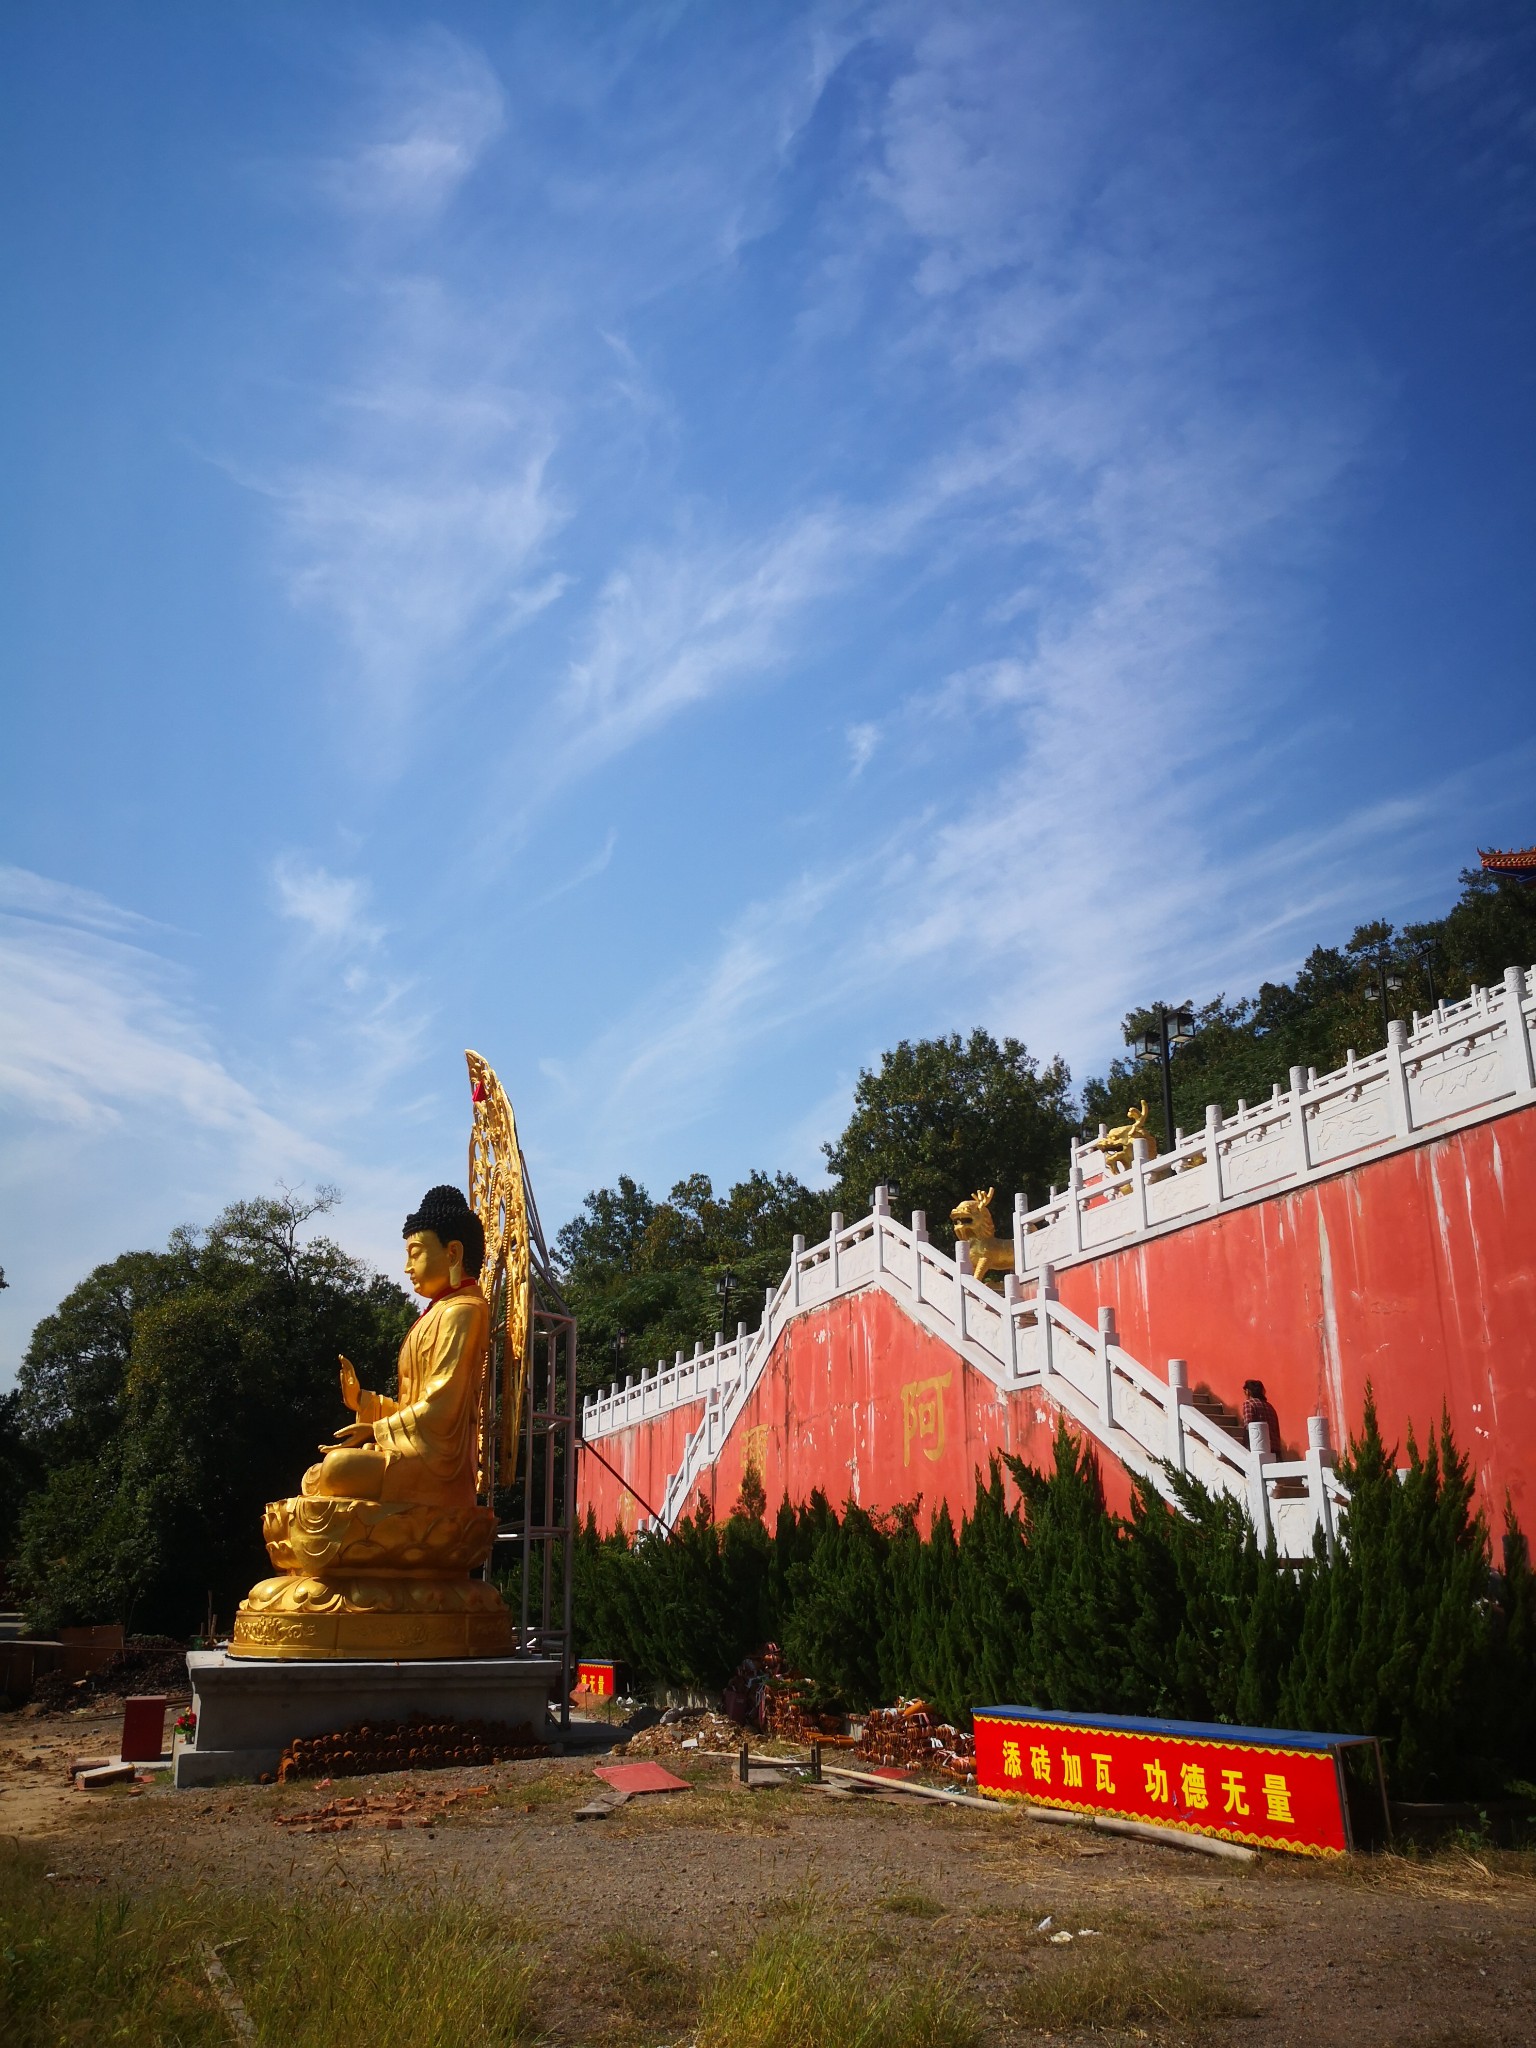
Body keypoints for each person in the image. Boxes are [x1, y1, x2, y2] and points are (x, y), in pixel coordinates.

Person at [302, 1184, 490, 1511]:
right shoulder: (436, 1313)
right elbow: (413, 1405)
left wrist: (375, 1429)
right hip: (412, 1449)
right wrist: (365, 1401)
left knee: (335, 1471)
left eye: (415, 1253)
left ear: (453, 1253)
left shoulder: (465, 1311)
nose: (407, 1267)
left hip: (437, 1466)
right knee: (318, 1474)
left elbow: (441, 1410)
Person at [1241, 1378, 1283, 1458]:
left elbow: (1248, 1426)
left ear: (1248, 1391)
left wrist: (1245, 1445)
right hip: (1274, 1447)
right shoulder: (1270, 1407)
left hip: (1259, 1447)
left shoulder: (1248, 1403)